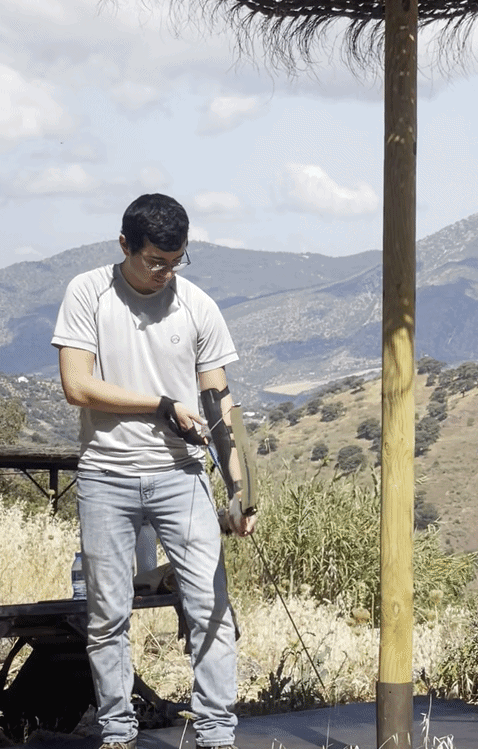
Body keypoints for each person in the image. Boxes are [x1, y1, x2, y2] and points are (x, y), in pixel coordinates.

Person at [52, 193, 255, 749]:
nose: (166, 273)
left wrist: (241, 490)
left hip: (181, 476)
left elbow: (218, 402)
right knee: (107, 615)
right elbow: (77, 385)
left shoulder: (197, 306)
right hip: (105, 477)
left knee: (209, 604)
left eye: (177, 260)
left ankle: (217, 733)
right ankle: (118, 731)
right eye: (155, 262)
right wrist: (161, 405)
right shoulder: (87, 293)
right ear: (125, 246)